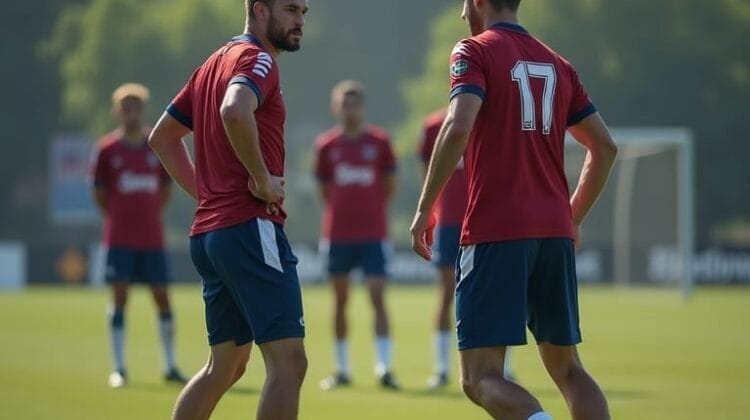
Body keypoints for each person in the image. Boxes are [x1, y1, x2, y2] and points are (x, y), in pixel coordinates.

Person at [410, 0, 618, 419]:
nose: (462, 15)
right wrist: (571, 217)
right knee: (569, 369)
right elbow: (605, 147)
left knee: (479, 377)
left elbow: (458, 126)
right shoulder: (558, 64)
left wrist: (423, 209)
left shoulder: (474, 51)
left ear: (480, 3)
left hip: (496, 230)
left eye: (465, 4)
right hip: (554, 233)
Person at [148, 1, 309, 419]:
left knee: (226, 366)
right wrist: (259, 178)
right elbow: (235, 110)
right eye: (291, 9)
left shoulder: (211, 64)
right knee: (289, 363)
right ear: (259, 9)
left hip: (211, 233)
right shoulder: (257, 59)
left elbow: (162, 138)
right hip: (249, 227)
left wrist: (206, 194)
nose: (300, 21)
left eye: (304, 12)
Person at [91, 82, 186, 388]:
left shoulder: (155, 144)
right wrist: (120, 217)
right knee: (119, 298)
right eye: (125, 107)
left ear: (143, 110)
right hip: (119, 238)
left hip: (152, 238)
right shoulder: (107, 149)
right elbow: (100, 194)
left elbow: (167, 188)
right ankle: (119, 368)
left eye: (136, 107)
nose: (131, 112)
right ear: (117, 111)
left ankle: (170, 365)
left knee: (162, 298)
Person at [418, 108, 517, 389]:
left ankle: (505, 368)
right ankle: (441, 369)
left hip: (489, 219)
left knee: (499, 295)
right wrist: (430, 211)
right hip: (449, 221)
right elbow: (427, 175)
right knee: (447, 292)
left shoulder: (492, 118)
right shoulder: (433, 125)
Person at [314, 80, 399, 390]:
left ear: (362, 107)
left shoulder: (380, 142)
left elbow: (389, 187)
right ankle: (342, 368)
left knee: (377, 296)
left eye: (355, 103)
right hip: (337, 235)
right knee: (340, 301)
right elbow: (325, 190)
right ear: (336, 108)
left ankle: (384, 367)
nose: (350, 109)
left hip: (374, 234)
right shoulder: (326, 146)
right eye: (344, 103)